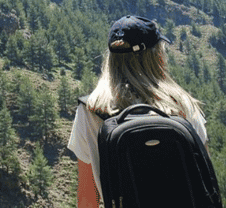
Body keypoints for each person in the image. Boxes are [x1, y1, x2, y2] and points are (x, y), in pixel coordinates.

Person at [67, 15, 208, 208]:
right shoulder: (182, 105)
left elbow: (87, 197)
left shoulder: (91, 109)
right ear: (157, 56)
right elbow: (206, 182)